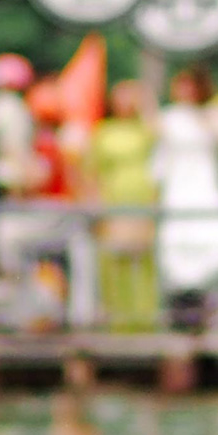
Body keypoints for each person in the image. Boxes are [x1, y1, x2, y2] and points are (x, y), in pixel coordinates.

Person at [154, 66, 218, 330]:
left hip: (206, 191)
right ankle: (184, 316)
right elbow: (159, 161)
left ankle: (209, 310)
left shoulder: (216, 116)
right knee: (179, 258)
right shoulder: (169, 118)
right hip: (177, 194)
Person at [87, 79, 160, 332]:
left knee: (143, 259)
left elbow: (158, 136)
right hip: (114, 199)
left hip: (142, 198)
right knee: (115, 259)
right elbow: (93, 172)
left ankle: (145, 319)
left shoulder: (145, 130)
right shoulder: (103, 131)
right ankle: (118, 320)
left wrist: (146, 101)